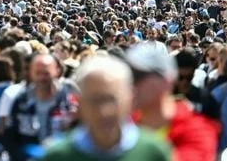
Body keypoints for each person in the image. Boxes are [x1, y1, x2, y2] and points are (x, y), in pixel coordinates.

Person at [42, 55, 171, 161]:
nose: (103, 111)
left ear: (130, 99)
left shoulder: (154, 152)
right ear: (79, 104)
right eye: (94, 101)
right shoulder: (57, 156)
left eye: (111, 100)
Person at [127, 44, 219, 161]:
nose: (131, 82)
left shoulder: (198, 131)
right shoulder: (122, 125)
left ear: (167, 81)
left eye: (138, 76)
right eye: (128, 74)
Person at [4, 54, 79, 161]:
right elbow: (10, 136)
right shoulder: (21, 101)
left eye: (46, 73)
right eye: (38, 73)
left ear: (56, 71)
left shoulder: (69, 101)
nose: (42, 78)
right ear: (31, 73)